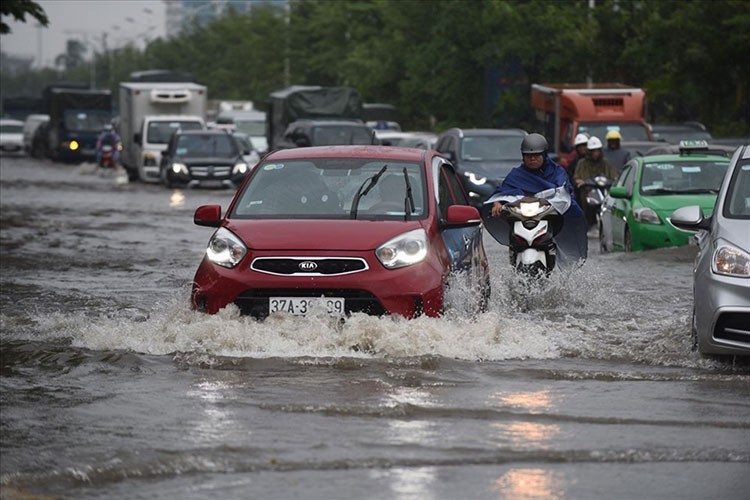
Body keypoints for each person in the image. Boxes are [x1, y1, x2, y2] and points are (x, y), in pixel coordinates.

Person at [490, 133, 582, 217]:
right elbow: (502, 192)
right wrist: (497, 203)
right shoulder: (516, 175)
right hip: (520, 216)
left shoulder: (557, 172)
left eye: (537, 155)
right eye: (528, 156)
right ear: (523, 156)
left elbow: (566, 192)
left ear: (544, 155)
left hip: (551, 215)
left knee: (575, 211)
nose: (532, 159)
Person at [572, 136, 620, 229]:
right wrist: (581, 181)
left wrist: (614, 179)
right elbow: (576, 177)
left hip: (603, 190)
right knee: (583, 203)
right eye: (593, 151)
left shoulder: (605, 162)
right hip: (588, 192)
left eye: (597, 150)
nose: (596, 153)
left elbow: (614, 174)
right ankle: (586, 222)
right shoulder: (582, 163)